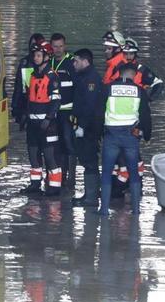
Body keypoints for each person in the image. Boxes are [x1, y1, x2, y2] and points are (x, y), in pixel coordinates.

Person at [99, 63, 151, 215]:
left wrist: (98, 132)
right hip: (130, 137)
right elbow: (145, 116)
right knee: (134, 174)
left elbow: (98, 112)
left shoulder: (107, 89)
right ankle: (136, 210)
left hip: (111, 136)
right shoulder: (139, 91)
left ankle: (104, 210)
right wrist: (146, 134)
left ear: (118, 73)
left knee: (107, 173)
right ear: (134, 75)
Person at [20, 40, 63, 196]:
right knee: (33, 154)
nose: (36, 58)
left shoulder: (52, 77)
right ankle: (35, 184)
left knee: (50, 155)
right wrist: (25, 115)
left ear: (46, 57)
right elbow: (30, 98)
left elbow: (56, 100)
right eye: (35, 55)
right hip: (33, 123)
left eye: (39, 55)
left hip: (47, 124)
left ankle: (54, 187)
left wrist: (49, 118)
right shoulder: (32, 75)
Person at [70, 49, 102, 207]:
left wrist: (82, 126)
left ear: (85, 61)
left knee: (90, 161)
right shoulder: (83, 76)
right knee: (86, 160)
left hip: (89, 128)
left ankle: (91, 197)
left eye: (76, 61)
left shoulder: (91, 79)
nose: (74, 63)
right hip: (83, 126)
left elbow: (89, 106)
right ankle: (89, 194)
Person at [49, 33, 76, 187]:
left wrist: (76, 112)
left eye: (60, 46)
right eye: (55, 46)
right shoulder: (49, 62)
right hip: (52, 111)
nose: (58, 49)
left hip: (67, 111)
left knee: (68, 142)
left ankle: (70, 178)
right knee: (53, 144)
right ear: (51, 47)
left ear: (64, 46)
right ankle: (56, 176)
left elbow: (78, 87)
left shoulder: (71, 62)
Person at [11, 33, 45, 129]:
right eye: (32, 45)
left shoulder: (49, 64)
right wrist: (15, 106)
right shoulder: (25, 63)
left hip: (43, 106)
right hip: (26, 104)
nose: (34, 48)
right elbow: (18, 86)